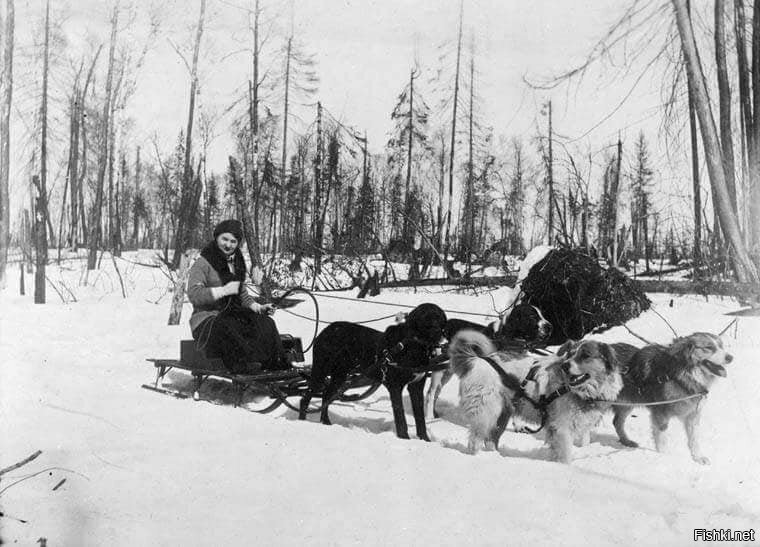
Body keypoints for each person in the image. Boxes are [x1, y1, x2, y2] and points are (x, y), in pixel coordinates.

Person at [187, 219, 289, 374]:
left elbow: (242, 295)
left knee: (265, 322)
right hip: (206, 322)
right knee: (229, 325)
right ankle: (247, 365)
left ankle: (277, 363)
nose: (228, 245)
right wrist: (223, 291)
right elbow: (194, 294)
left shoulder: (237, 263)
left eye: (233, 241)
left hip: (230, 316)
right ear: (216, 238)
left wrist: (258, 307)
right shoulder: (203, 263)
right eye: (225, 239)